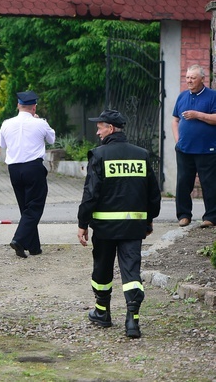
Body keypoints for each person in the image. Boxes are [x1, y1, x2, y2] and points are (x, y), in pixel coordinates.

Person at [78, 110, 161, 338]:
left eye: (100, 127)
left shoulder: (99, 155)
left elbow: (91, 194)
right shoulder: (142, 155)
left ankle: (102, 313)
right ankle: (132, 321)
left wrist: (82, 222)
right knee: (131, 272)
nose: (97, 131)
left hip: (104, 228)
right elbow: (153, 193)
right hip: (134, 227)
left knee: (102, 269)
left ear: (111, 129)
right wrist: (149, 219)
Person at [0, 90, 55, 258]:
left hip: (14, 169)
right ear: (34, 107)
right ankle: (19, 239)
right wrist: (40, 121)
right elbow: (52, 139)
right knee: (35, 206)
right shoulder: (40, 123)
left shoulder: (6, 123)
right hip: (33, 167)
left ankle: (34, 247)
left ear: (18, 105)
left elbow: (2, 144)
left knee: (25, 207)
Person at [171, 64, 216, 228]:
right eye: (187, 77)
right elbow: (175, 119)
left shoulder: (212, 96)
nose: (189, 80)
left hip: (207, 149)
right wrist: (178, 140)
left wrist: (197, 115)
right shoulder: (182, 97)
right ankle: (183, 215)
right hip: (184, 149)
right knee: (183, 182)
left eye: (193, 78)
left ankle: (211, 217)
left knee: (209, 184)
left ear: (202, 79)